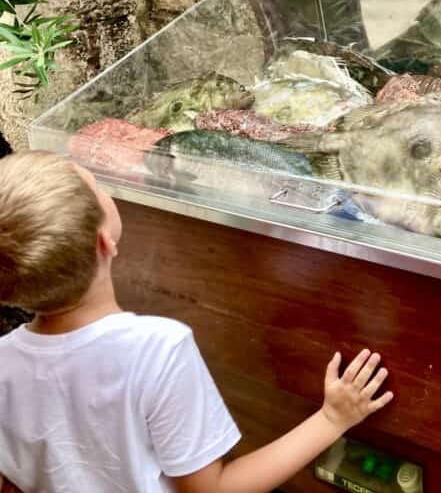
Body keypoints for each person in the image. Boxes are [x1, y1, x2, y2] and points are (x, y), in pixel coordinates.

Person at [0, 150, 394, 493]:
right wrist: (332, 418)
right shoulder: (156, 350)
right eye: (99, 188)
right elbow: (215, 489)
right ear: (105, 241)